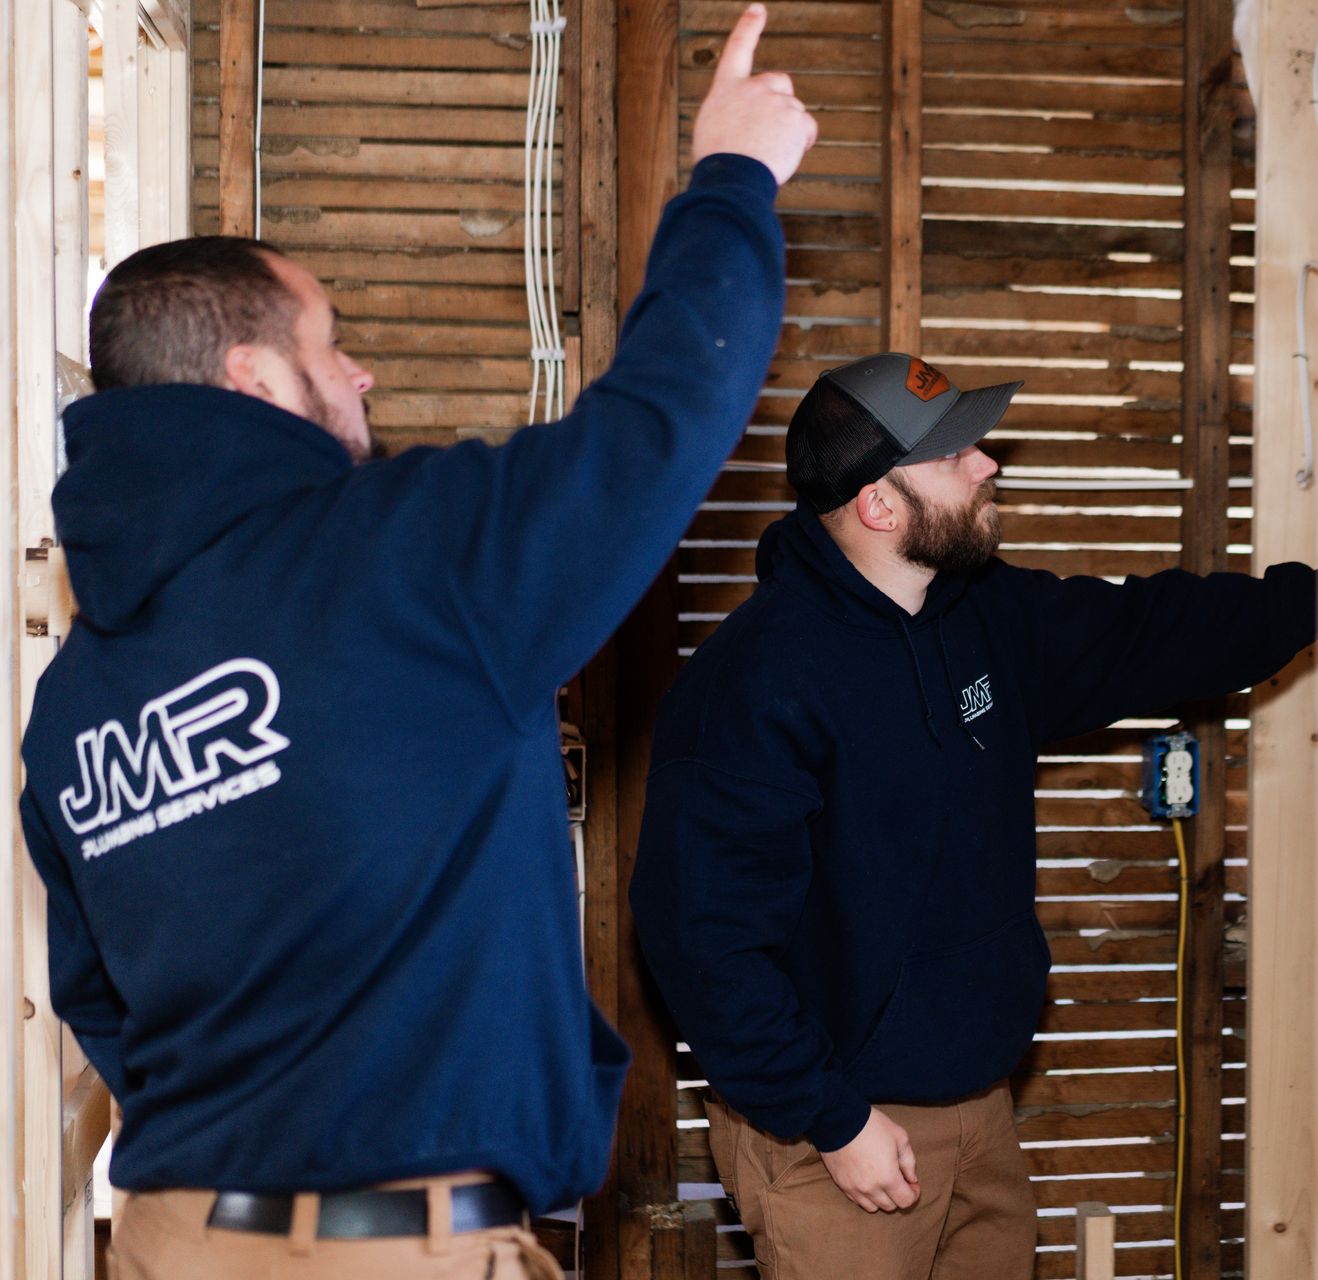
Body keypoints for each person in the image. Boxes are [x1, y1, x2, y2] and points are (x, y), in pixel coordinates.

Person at [16, 8, 814, 1277]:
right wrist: (732, 177)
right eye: (332, 346)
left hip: (173, 1241)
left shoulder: (72, 702)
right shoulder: (404, 553)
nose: (364, 378)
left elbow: (99, 996)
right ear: (253, 381)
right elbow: (659, 420)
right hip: (395, 1250)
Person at [631, 352, 1318, 1278]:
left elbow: (1155, 632)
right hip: (837, 1137)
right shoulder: (752, 688)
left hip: (984, 1112)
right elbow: (703, 945)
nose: (987, 463)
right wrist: (836, 1121)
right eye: (955, 454)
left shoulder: (986, 617)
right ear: (879, 505)